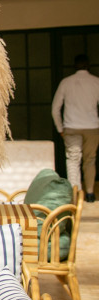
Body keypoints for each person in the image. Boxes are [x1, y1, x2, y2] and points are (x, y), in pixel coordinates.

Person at [52, 54, 99, 202]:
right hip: (92, 127)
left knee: (73, 160)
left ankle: (75, 194)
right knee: (90, 160)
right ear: (88, 65)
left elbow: (55, 109)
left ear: (74, 66)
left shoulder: (66, 82)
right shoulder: (96, 82)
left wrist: (60, 128)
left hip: (71, 126)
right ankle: (90, 193)